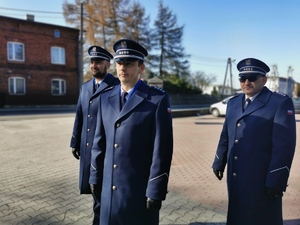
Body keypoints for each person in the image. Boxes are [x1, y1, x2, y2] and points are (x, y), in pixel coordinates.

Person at [89, 39, 173, 225]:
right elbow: (98, 142)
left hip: (138, 191)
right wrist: (94, 175)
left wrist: (156, 189)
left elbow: (162, 150)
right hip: (108, 192)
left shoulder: (156, 99)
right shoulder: (105, 98)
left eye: (129, 63)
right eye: (119, 63)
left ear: (141, 67)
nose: (122, 68)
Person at [212, 58, 296, 225]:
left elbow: (284, 146)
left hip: (262, 179)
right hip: (236, 175)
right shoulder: (234, 103)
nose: (247, 82)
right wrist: (219, 160)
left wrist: (277, 179)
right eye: (243, 79)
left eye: (252, 78)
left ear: (264, 80)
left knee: (262, 218)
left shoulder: (279, 102)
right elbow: (226, 135)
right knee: (238, 216)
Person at [70, 45, 119, 225]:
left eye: (98, 62)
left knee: (102, 189)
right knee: (93, 188)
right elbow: (80, 115)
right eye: (92, 62)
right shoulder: (85, 88)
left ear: (107, 64)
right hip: (88, 148)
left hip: (106, 150)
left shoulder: (116, 86)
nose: (94, 65)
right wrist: (75, 141)